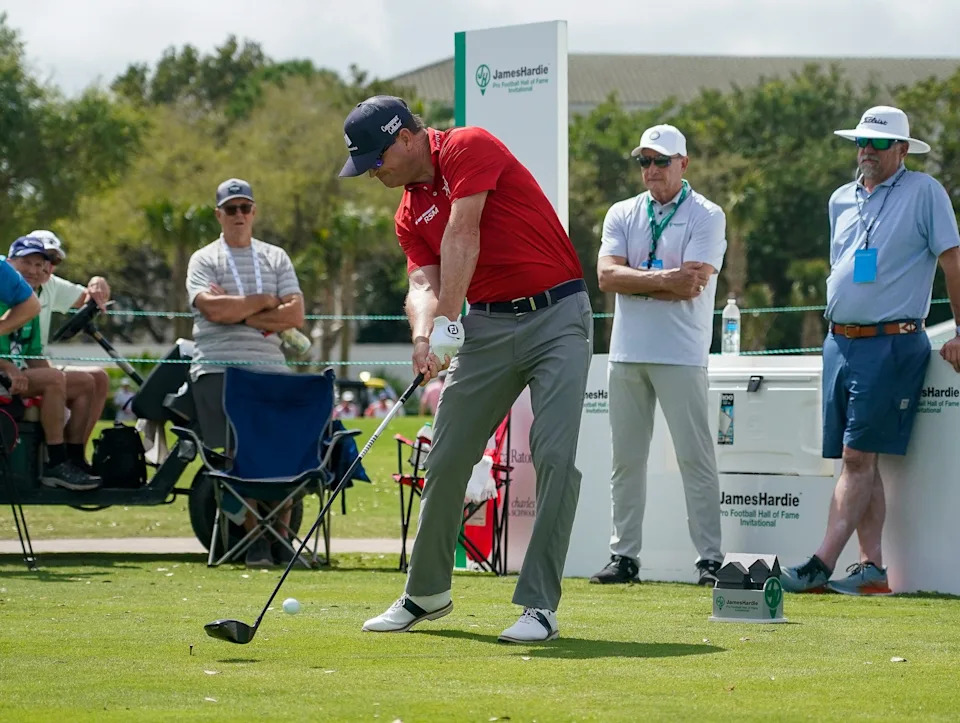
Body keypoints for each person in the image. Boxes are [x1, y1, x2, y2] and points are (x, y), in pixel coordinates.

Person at [339, 95, 592, 643]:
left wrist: (450, 319)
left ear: (405, 137)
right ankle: (427, 592)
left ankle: (539, 606)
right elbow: (422, 284)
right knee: (448, 454)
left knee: (553, 455)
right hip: (487, 330)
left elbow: (463, 232)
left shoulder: (467, 146)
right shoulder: (408, 211)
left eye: (375, 159)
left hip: (557, 315)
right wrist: (426, 335)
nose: (371, 172)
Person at [781, 105, 960, 596]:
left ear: (901, 149)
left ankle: (821, 562)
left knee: (857, 459)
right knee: (858, 461)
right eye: (860, 142)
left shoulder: (925, 191)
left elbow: (953, 260)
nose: (866, 151)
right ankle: (872, 569)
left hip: (892, 341)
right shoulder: (841, 198)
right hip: (840, 341)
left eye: (877, 144)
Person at [591, 124, 726, 587]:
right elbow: (606, 279)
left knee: (695, 458)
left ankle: (710, 558)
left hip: (683, 354)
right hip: (627, 353)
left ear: (683, 164)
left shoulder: (707, 214)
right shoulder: (622, 212)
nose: (651, 170)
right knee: (625, 460)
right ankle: (624, 556)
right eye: (644, 161)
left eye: (660, 161)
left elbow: (692, 283)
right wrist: (662, 281)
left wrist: (638, 280)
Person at [186, 178, 306, 568]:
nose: (239, 215)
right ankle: (255, 539)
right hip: (219, 369)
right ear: (218, 214)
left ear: (254, 212)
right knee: (243, 449)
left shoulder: (275, 257)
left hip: (271, 368)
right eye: (231, 209)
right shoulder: (203, 258)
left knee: (292, 447)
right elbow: (213, 311)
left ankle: (281, 537)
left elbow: (295, 315)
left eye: (245, 208)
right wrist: (265, 304)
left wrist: (239, 310)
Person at [1, 237, 102, 490]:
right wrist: (7, 367)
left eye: (39, 265)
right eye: (26, 263)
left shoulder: (27, 303)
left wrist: (54, 386)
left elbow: (34, 354)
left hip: (15, 376)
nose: (34, 270)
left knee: (85, 382)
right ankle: (55, 465)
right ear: (9, 263)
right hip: (3, 374)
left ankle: (74, 460)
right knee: (55, 379)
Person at [29, 230, 113, 465]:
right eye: (40, 259)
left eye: (52, 261)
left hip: (36, 364)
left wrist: (98, 282)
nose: (45, 267)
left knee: (99, 378)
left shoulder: (51, 285)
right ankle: (60, 461)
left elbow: (90, 297)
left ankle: (77, 458)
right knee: (78, 381)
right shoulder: (13, 288)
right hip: (18, 368)